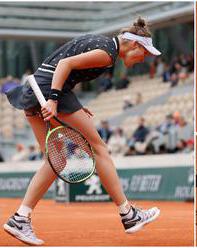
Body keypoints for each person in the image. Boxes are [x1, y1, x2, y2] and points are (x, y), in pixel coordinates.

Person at [4, 17, 161, 245]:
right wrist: (55, 100)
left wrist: (72, 103)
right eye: (144, 54)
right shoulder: (107, 53)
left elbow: (66, 68)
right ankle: (128, 215)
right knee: (99, 148)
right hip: (49, 92)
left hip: (35, 90)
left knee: (55, 160)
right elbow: (64, 65)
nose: (143, 60)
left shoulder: (103, 44)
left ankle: (20, 218)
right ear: (134, 45)